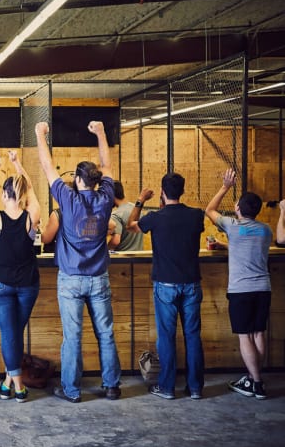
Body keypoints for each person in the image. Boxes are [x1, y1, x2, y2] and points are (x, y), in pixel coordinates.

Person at [35, 120, 121, 403]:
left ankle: (72, 390)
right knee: (105, 334)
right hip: (99, 278)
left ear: (79, 180)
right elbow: (108, 167)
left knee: (72, 337)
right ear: (96, 181)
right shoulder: (106, 197)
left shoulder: (68, 200)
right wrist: (101, 133)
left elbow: (48, 168)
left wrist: (39, 134)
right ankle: (111, 386)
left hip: (71, 279)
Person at [127, 172, 205, 400]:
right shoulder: (196, 215)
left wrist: (141, 200)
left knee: (167, 336)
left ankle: (168, 388)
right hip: (191, 284)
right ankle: (196, 388)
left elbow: (131, 226)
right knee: (192, 336)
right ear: (183, 191)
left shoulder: (156, 217)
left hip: (165, 285)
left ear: (162, 192)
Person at [205, 169, 272, 400]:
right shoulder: (265, 230)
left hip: (241, 291)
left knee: (245, 336)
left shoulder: (232, 226)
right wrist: (225, 246)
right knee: (258, 333)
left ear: (238, 209)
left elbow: (209, 210)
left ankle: (257, 383)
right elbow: (248, 244)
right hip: (263, 289)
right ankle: (254, 379)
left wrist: (225, 186)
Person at [0, 151, 41, 403]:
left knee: (10, 333)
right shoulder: (32, 216)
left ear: (5, 195)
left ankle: (18, 388)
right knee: (15, 332)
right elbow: (32, 193)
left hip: (0, 285)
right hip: (27, 285)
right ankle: (7, 384)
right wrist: (18, 165)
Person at [108, 181, 144, 251]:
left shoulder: (116, 215)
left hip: (123, 258)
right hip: (140, 256)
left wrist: (105, 249)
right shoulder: (136, 209)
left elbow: (116, 241)